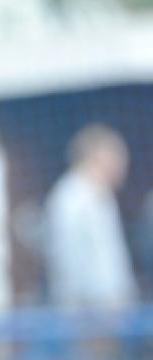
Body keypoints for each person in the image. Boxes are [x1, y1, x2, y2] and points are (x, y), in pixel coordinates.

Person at [43, 123, 136, 312]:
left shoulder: (101, 196)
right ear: (98, 157)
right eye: (117, 156)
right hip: (89, 311)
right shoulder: (71, 199)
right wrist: (94, 305)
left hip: (109, 307)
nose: (123, 164)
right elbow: (68, 260)